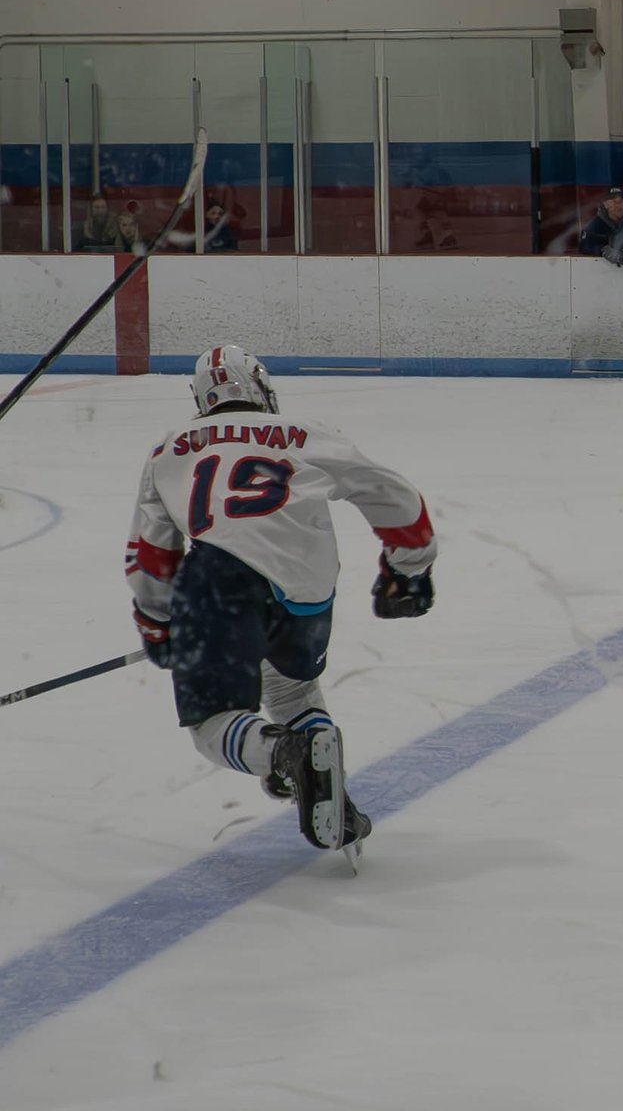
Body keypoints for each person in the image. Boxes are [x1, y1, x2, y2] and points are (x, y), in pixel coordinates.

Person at [125, 346, 437, 858]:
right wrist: (408, 570)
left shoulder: (171, 447)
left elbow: (152, 555)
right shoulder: (307, 431)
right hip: (307, 587)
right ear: (261, 387)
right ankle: (326, 789)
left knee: (212, 723)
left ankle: (282, 754)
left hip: (220, 582)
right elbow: (392, 495)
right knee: (292, 690)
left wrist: (157, 623)